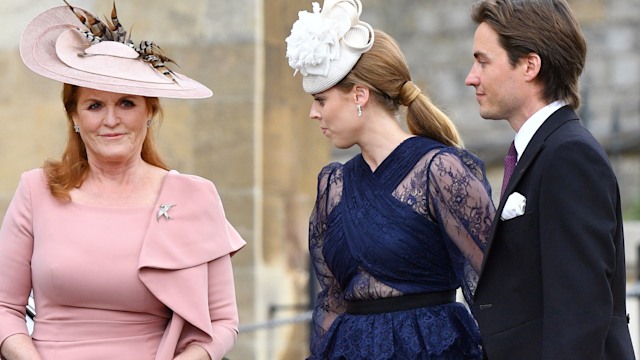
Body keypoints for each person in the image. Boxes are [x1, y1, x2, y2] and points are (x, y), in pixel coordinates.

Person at [0, 3, 245, 360]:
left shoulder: (194, 197)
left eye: (127, 103)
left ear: (149, 112)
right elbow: (5, 309)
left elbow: (223, 321)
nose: (111, 120)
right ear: (74, 117)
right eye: (95, 105)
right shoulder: (35, 191)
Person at [285, 1, 495, 358]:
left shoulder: (440, 171)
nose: (312, 112)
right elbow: (331, 301)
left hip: (432, 347)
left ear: (359, 95)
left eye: (320, 99)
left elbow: (494, 286)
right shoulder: (333, 186)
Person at [465, 0, 636, 359]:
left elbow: (580, 316)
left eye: (483, 61)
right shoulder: (543, 151)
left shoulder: (569, 156)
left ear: (529, 65)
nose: (471, 77)